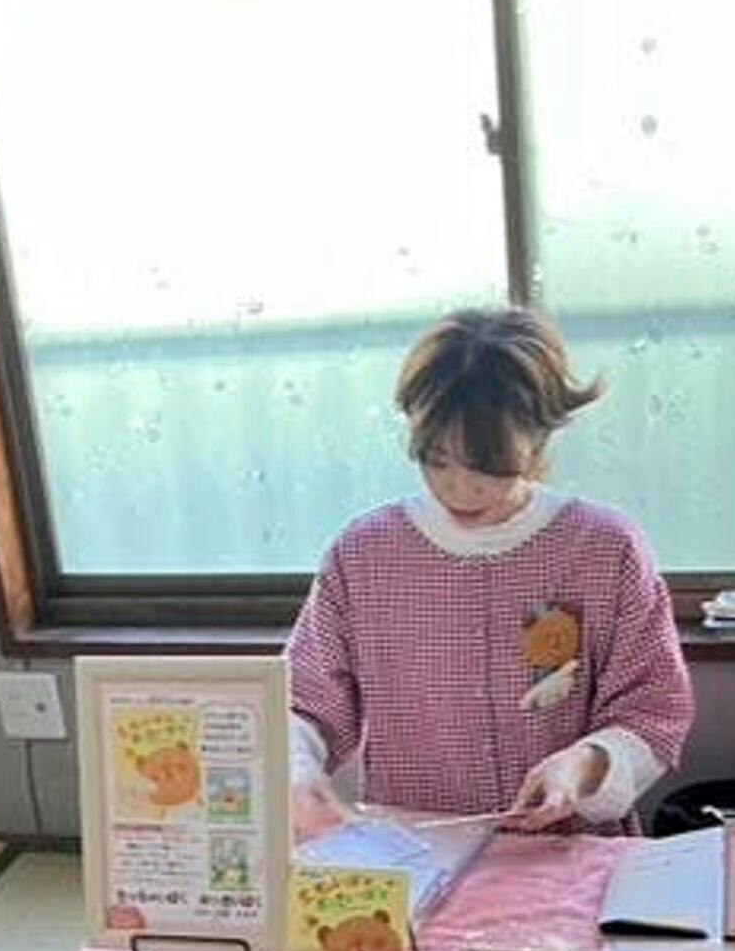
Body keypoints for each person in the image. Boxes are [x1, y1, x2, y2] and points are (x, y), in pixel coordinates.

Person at [287, 309, 694, 838]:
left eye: (488, 466)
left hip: (568, 851)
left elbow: (653, 709)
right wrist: (296, 773)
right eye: (436, 461)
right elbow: (304, 701)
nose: (460, 489)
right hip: (416, 853)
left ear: (538, 438)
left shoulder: (604, 548)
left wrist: (585, 765)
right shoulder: (364, 553)